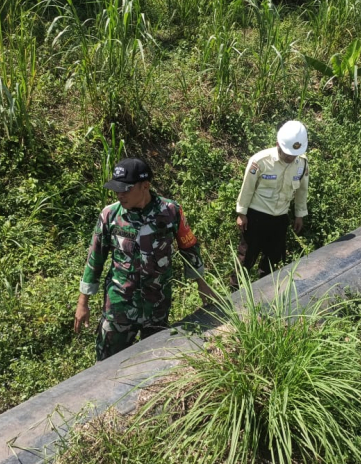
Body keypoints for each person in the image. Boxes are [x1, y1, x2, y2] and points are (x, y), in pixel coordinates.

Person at [74, 157, 214, 361]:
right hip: (119, 307)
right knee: (107, 364)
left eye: (126, 189)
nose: (120, 194)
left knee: (155, 362)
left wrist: (202, 284)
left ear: (145, 185)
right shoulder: (110, 215)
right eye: (116, 189)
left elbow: (188, 247)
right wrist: (82, 302)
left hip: (157, 305)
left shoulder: (170, 211)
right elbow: (95, 258)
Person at [233, 120, 309, 286]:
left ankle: (266, 294)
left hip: (280, 218)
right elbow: (247, 188)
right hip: (256, 217)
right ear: (277, 145)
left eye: (293, 155)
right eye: (287, 154)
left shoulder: (301, 164)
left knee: (273, 258)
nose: (290, 158)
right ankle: (233, 293)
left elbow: (302, 191)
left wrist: (299, 215)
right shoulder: (260, 161)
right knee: (246, 257)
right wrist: (241, 213)